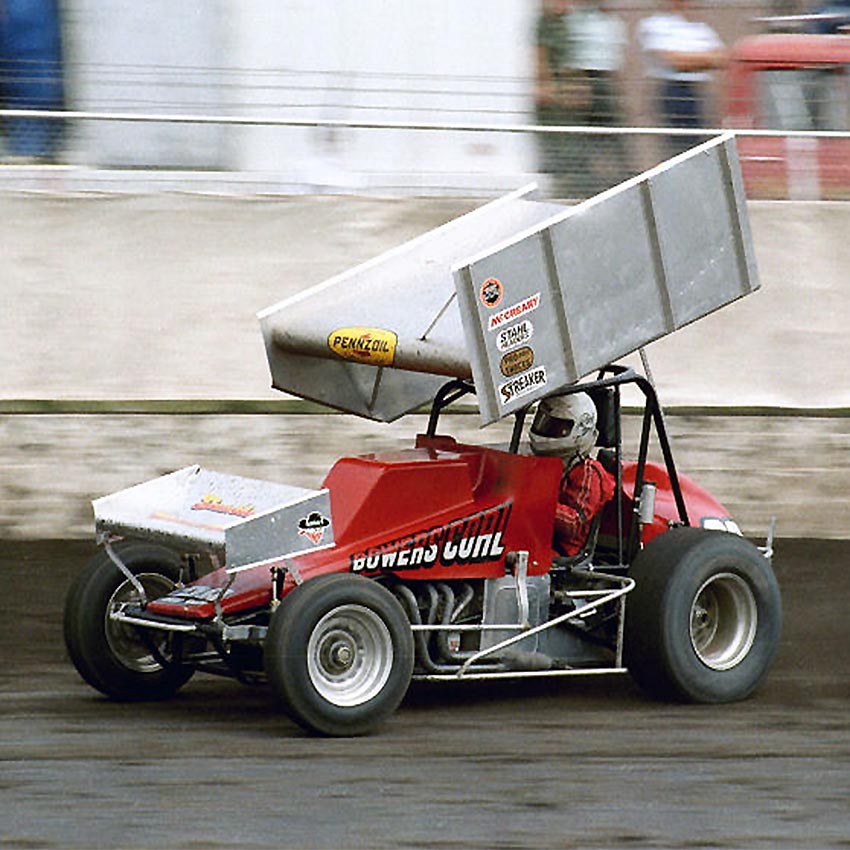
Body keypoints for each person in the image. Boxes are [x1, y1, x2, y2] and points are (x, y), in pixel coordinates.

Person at [529, 392, 616, 557]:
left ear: (579, 430)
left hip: (565, 551)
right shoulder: (547, 464)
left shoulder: (589, 473)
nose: (546, 430)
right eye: (544, 423)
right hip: (540, 536)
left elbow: (575, 524)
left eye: (556, 427)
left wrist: (534, 502)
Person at [638, 0, 727, 156]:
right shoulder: (655, 24)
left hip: (698, 93)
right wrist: (705, 59)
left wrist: (690, 60)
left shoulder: (700, 28)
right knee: (678, 145)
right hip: (673, 91)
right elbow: (675, 61)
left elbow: (722, 58)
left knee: (701, 144)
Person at [534, 0, 592, 198]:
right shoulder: (546, 22)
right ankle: (560, 188)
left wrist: (580, 84)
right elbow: (541, 53)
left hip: (568, 90)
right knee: (559, 144)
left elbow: (572, 59)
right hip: (555, 91)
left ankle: (573, 187)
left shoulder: (567, 23)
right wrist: (544, 84)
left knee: (574, 141)